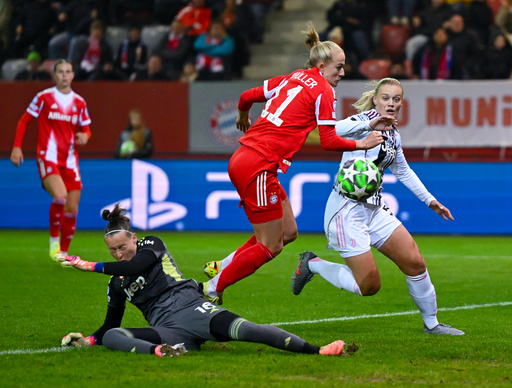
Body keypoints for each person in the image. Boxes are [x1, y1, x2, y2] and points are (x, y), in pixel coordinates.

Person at [201, 22, 384, 303]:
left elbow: (247, 97)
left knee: (288, 232)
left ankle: (221, 267)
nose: (343, 73)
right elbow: (329, 141)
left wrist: (242, 115)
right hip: (258, 165)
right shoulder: (324, 90)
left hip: (247, 159)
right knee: (271, 245)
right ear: (322, 66)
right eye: (339, 67)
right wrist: (363, 143)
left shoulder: (294, 77)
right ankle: (212, 288)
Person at [57, 204, 351, 358]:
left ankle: (317, 350)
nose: (119, 254)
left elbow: (138, 264)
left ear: (133, 238)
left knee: (246, 331)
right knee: (113, 337)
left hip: (191, 308)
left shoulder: (150, 245)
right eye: (113, 251)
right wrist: (88, 340)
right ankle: (163, 352)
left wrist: (90, 265)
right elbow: (110, 323)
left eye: (122, 247)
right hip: (167, 329)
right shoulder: (116, 282)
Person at [290, 77, 465, 336]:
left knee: (415, 262)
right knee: (369, 286)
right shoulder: (362, 123)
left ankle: (432, 324)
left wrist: (430, 200)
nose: (391, 103)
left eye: (396, 99)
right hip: (346, 211)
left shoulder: (393, 134)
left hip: (375, 209)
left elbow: (402, 170)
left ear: (401, 103)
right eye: (385, 98)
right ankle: (312, 263)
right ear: (375, 99)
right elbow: (332, 130)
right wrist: (369, 123)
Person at [10, 59, 91, 260]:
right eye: (60, 72)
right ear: (54, 76)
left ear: (73, 75)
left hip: (70, 160)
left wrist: (85, 136)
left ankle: (63, 253)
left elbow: (87, 129)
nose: (64, 75)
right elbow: (24, 120)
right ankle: (54, 243)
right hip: (48, 156)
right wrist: (17, 146)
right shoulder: (44, 97)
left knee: (72, 207)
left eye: (68, 71)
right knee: (60, 196)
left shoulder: (79, 102)